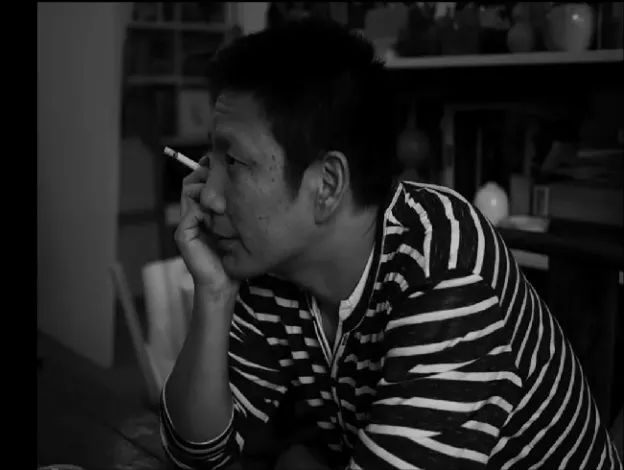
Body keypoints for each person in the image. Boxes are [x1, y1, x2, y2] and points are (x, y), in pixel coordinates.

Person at [160, 18, 622, 470]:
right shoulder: (271, 265)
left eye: (234, 162)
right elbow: (196, 454)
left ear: (328, 185)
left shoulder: (447, 268)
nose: (209, 194)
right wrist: (214, 294)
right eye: (211, 158)